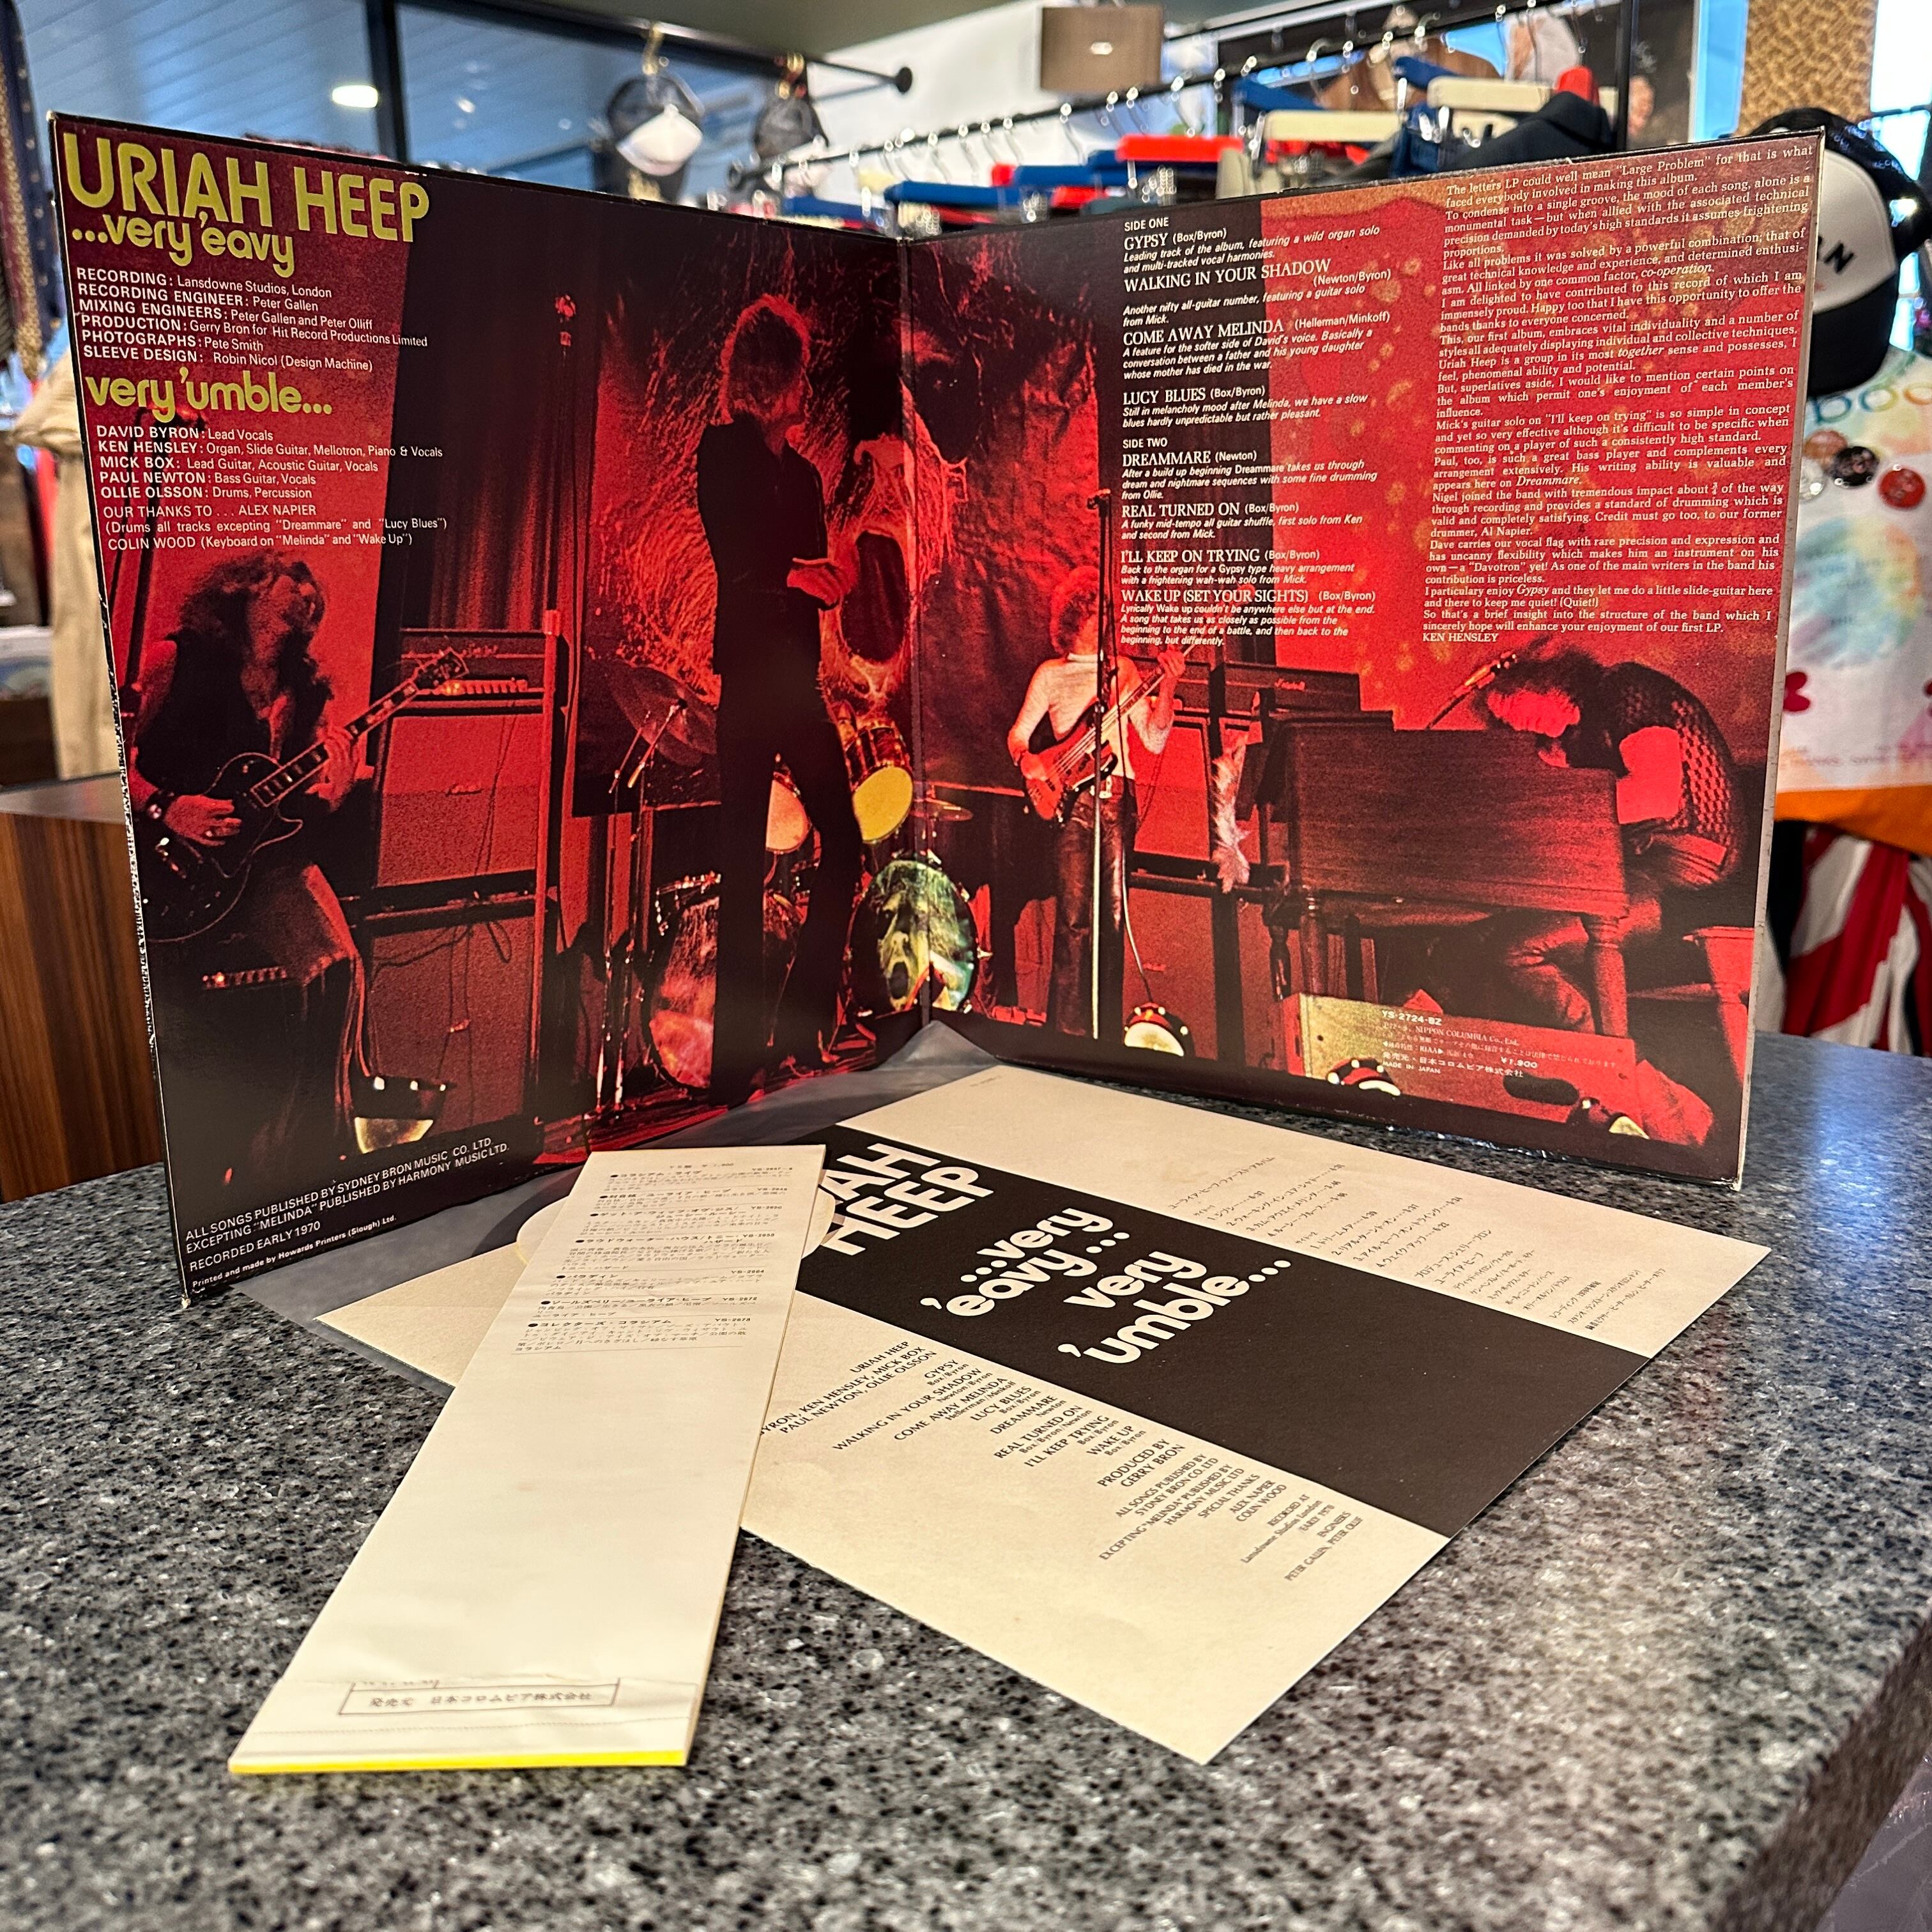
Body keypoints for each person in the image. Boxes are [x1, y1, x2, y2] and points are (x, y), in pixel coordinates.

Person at [126, 549, 366, 1189]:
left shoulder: (306, 691)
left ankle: (301, 1154)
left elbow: (293, 807)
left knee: (337, 969)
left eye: (315, 593)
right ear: (249, 586)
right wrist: (167, 807)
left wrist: (333, 793)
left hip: (259, 863)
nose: (309, 594)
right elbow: (103, 756)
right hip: (165, 859)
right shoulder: (176, 658)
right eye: (295, 578)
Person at [698, 294, 862, 1107]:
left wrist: (836, 580)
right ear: (770, 378)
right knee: (741, 865)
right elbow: (737, 564)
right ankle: (734, 1064)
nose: (809, 388)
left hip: (795, 679)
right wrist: (801, 575)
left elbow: (808, 575)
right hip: (748, 677)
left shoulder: (806, 476)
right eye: (799, 375)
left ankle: (799, 1024)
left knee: (846, 840)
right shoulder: (721, 454)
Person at [1475, 640, 1742, 1029]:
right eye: (1506, 720)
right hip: (1639, 870)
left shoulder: (1625, 687)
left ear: (1546, 683)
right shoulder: (1575, 735)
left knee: (1515, 949)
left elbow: (1654, 796)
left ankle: (1610, 1060)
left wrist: (1545, 809)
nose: (1515, 725)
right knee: (1479, 939)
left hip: (1690, 874)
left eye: (1512, 706)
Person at [1006, 565, 1183, 1038]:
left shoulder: (1123, 671)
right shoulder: (1051, 675)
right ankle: (1066, 1036)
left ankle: (1104, 1039)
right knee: (1073, 921)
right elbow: (1018, 736)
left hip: (1118, 798)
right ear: (1071, 620)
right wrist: (1029, 761)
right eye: (1087, 612)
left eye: (1101, 612)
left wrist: (1167, 686)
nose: (1097, 620)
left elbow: (1154, 740)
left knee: (1113, 921)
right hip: (1073, 803)